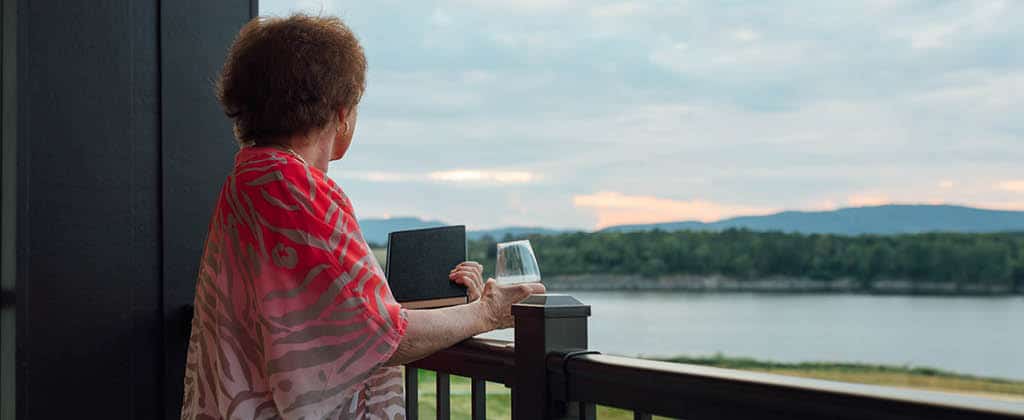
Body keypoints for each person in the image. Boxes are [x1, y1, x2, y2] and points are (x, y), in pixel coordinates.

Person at [180, 14, 545, 420]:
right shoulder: (294, 187)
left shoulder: (250, 178)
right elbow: (381, 333)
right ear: (340, 113)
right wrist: (486, 313)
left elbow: (333, 314)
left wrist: (452, 310)